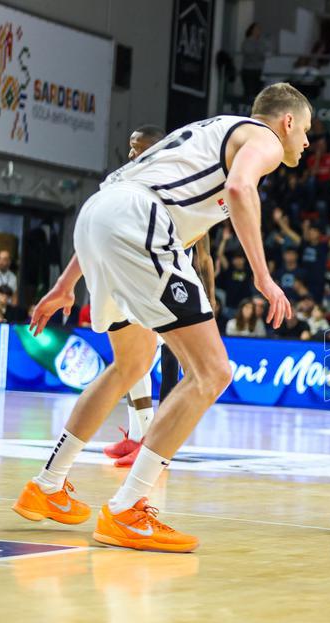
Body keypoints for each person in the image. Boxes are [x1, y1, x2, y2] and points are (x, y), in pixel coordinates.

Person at [14, 83, 306, 553]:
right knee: (212, 372)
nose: (307, 143)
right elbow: (238, 189)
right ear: (288, 122)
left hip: (98, 216)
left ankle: (47, 485)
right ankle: (129, 508)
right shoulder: (264, 137)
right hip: (137, 222)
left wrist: (68, 282)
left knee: (131, 365)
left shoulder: (210, 132)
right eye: (306, 130)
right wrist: (263, 276)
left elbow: (116, 205)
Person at [105, 125, 219, 468]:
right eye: (129, 147)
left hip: (173, 284)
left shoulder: (183, 187)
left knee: (170, 367)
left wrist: (210, 298)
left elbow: (205, 255)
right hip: (138, 278)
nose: (130, 154)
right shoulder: (125, 182)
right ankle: (142, 434)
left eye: (137, 148)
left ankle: (157, 444)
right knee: (132, 361)